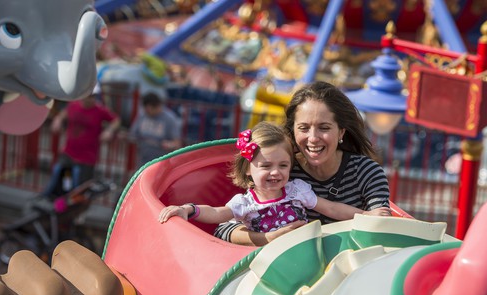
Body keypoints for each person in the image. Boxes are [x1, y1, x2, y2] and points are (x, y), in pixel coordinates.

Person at [213, 80, 392, 246]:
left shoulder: (367, 172)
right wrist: (268, 238)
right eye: (304, 128)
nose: (313, 138)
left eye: (324, 128)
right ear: (293, 131)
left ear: (341, 133)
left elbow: (381, 227)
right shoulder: (283, 169)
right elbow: (224, 229)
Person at [158, 122, 390, 230]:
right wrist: (188, 209)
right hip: (266, 261)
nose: (275, 172)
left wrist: (366, 215)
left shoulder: (297, 189)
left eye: (283, 165)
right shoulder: (245, 203)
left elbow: (332, 208)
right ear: (248, 168)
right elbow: (218, 213)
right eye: (266, 166)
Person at [44, 87, 121, 198]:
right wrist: (58, 120)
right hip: (69, 154)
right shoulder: (74, 106)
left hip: (87, 157)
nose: (91, 99)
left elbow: (116, 120)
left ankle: (78, 210)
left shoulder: (100, 111)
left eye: (93, 96)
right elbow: (63, 114)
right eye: (88, 96)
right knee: (65, 182)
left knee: (82, 188)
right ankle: (62, 204)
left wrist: (109, 131)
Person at [129, 91, 182, 167]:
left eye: (149, 110)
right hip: (143, 162)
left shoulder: (170, 119)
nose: (147, 112)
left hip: (161, 163)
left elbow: (177, 144)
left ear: (157, 106)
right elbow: (133, 135)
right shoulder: (142, 115)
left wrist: (169, 145)